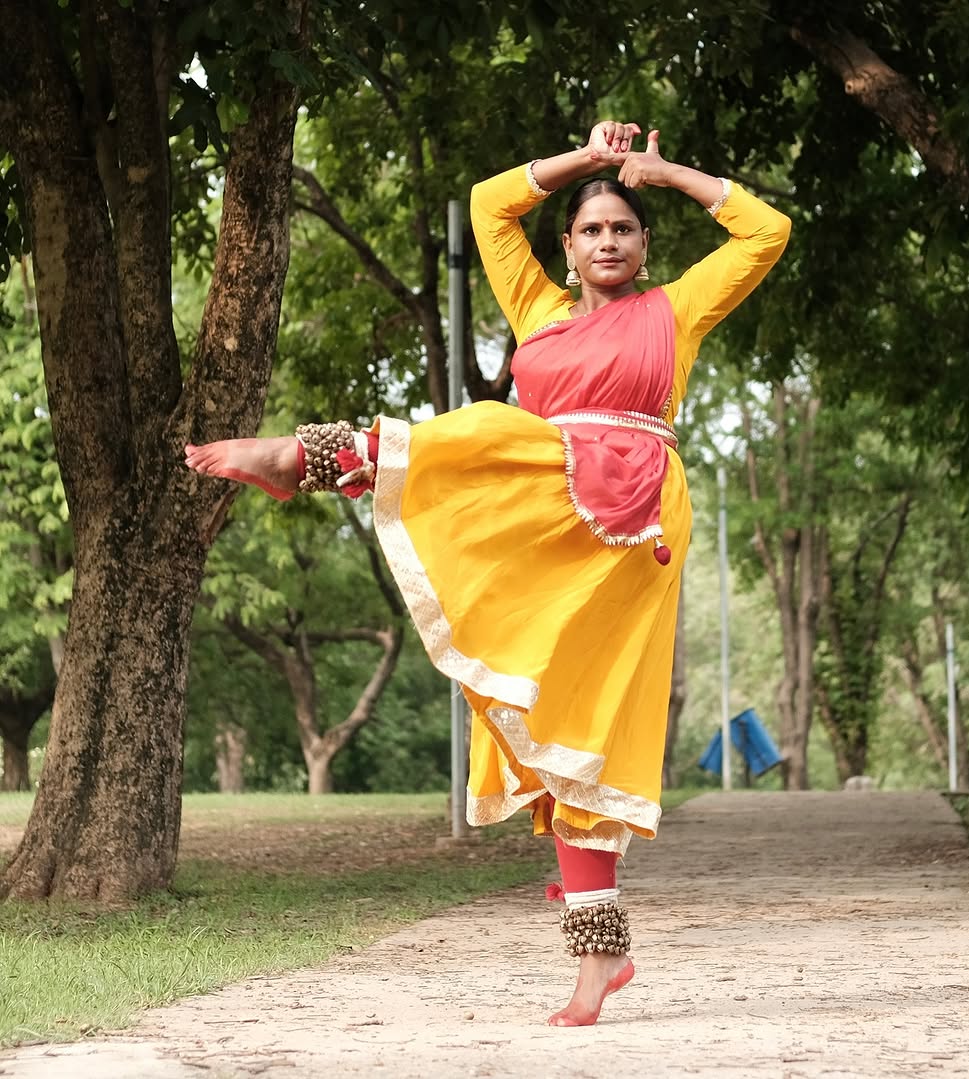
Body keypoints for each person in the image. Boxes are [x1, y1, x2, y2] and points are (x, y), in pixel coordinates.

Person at [185, 120, 790, 1026]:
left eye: (624, 227)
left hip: (633, 531)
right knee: (540, 703)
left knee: (586, 714)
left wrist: (663, 172)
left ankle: (307, 459)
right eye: (591, 230)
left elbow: (767, 231)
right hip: (541, 512)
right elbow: (487, 207)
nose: (609, 240)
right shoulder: (537, 309)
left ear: (645, 243)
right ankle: (602, 954)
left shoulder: (677, 309)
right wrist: (585, 163)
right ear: (572, 250)